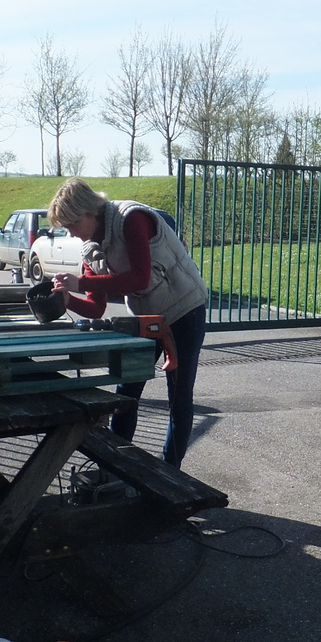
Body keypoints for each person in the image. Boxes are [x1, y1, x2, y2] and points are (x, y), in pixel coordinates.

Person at [47, 178, 209, 468]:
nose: (71, 233)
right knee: (127, 391)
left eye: (72, 224)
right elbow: (96, 308)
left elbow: (139, 278)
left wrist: (80, 282)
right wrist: (67, 299)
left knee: (178, 396)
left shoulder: (132, 218)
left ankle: (169, 473)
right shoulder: (89, 248)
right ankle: (116, 467)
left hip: (184, 311)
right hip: (148, 318)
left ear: (89, 212)